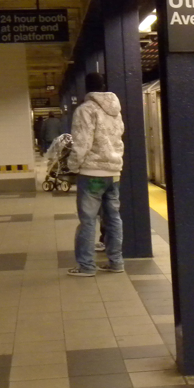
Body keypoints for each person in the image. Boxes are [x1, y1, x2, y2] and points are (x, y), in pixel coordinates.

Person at [67, 72, 125, 277]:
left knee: (88, 220)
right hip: (113, 172)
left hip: (92, 173)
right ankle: (116, 262)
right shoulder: (115, 111)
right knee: (113, 218)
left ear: (87, 88)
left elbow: (82, 143)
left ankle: (86, 266)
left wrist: (72, 166)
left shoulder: (85, 110)